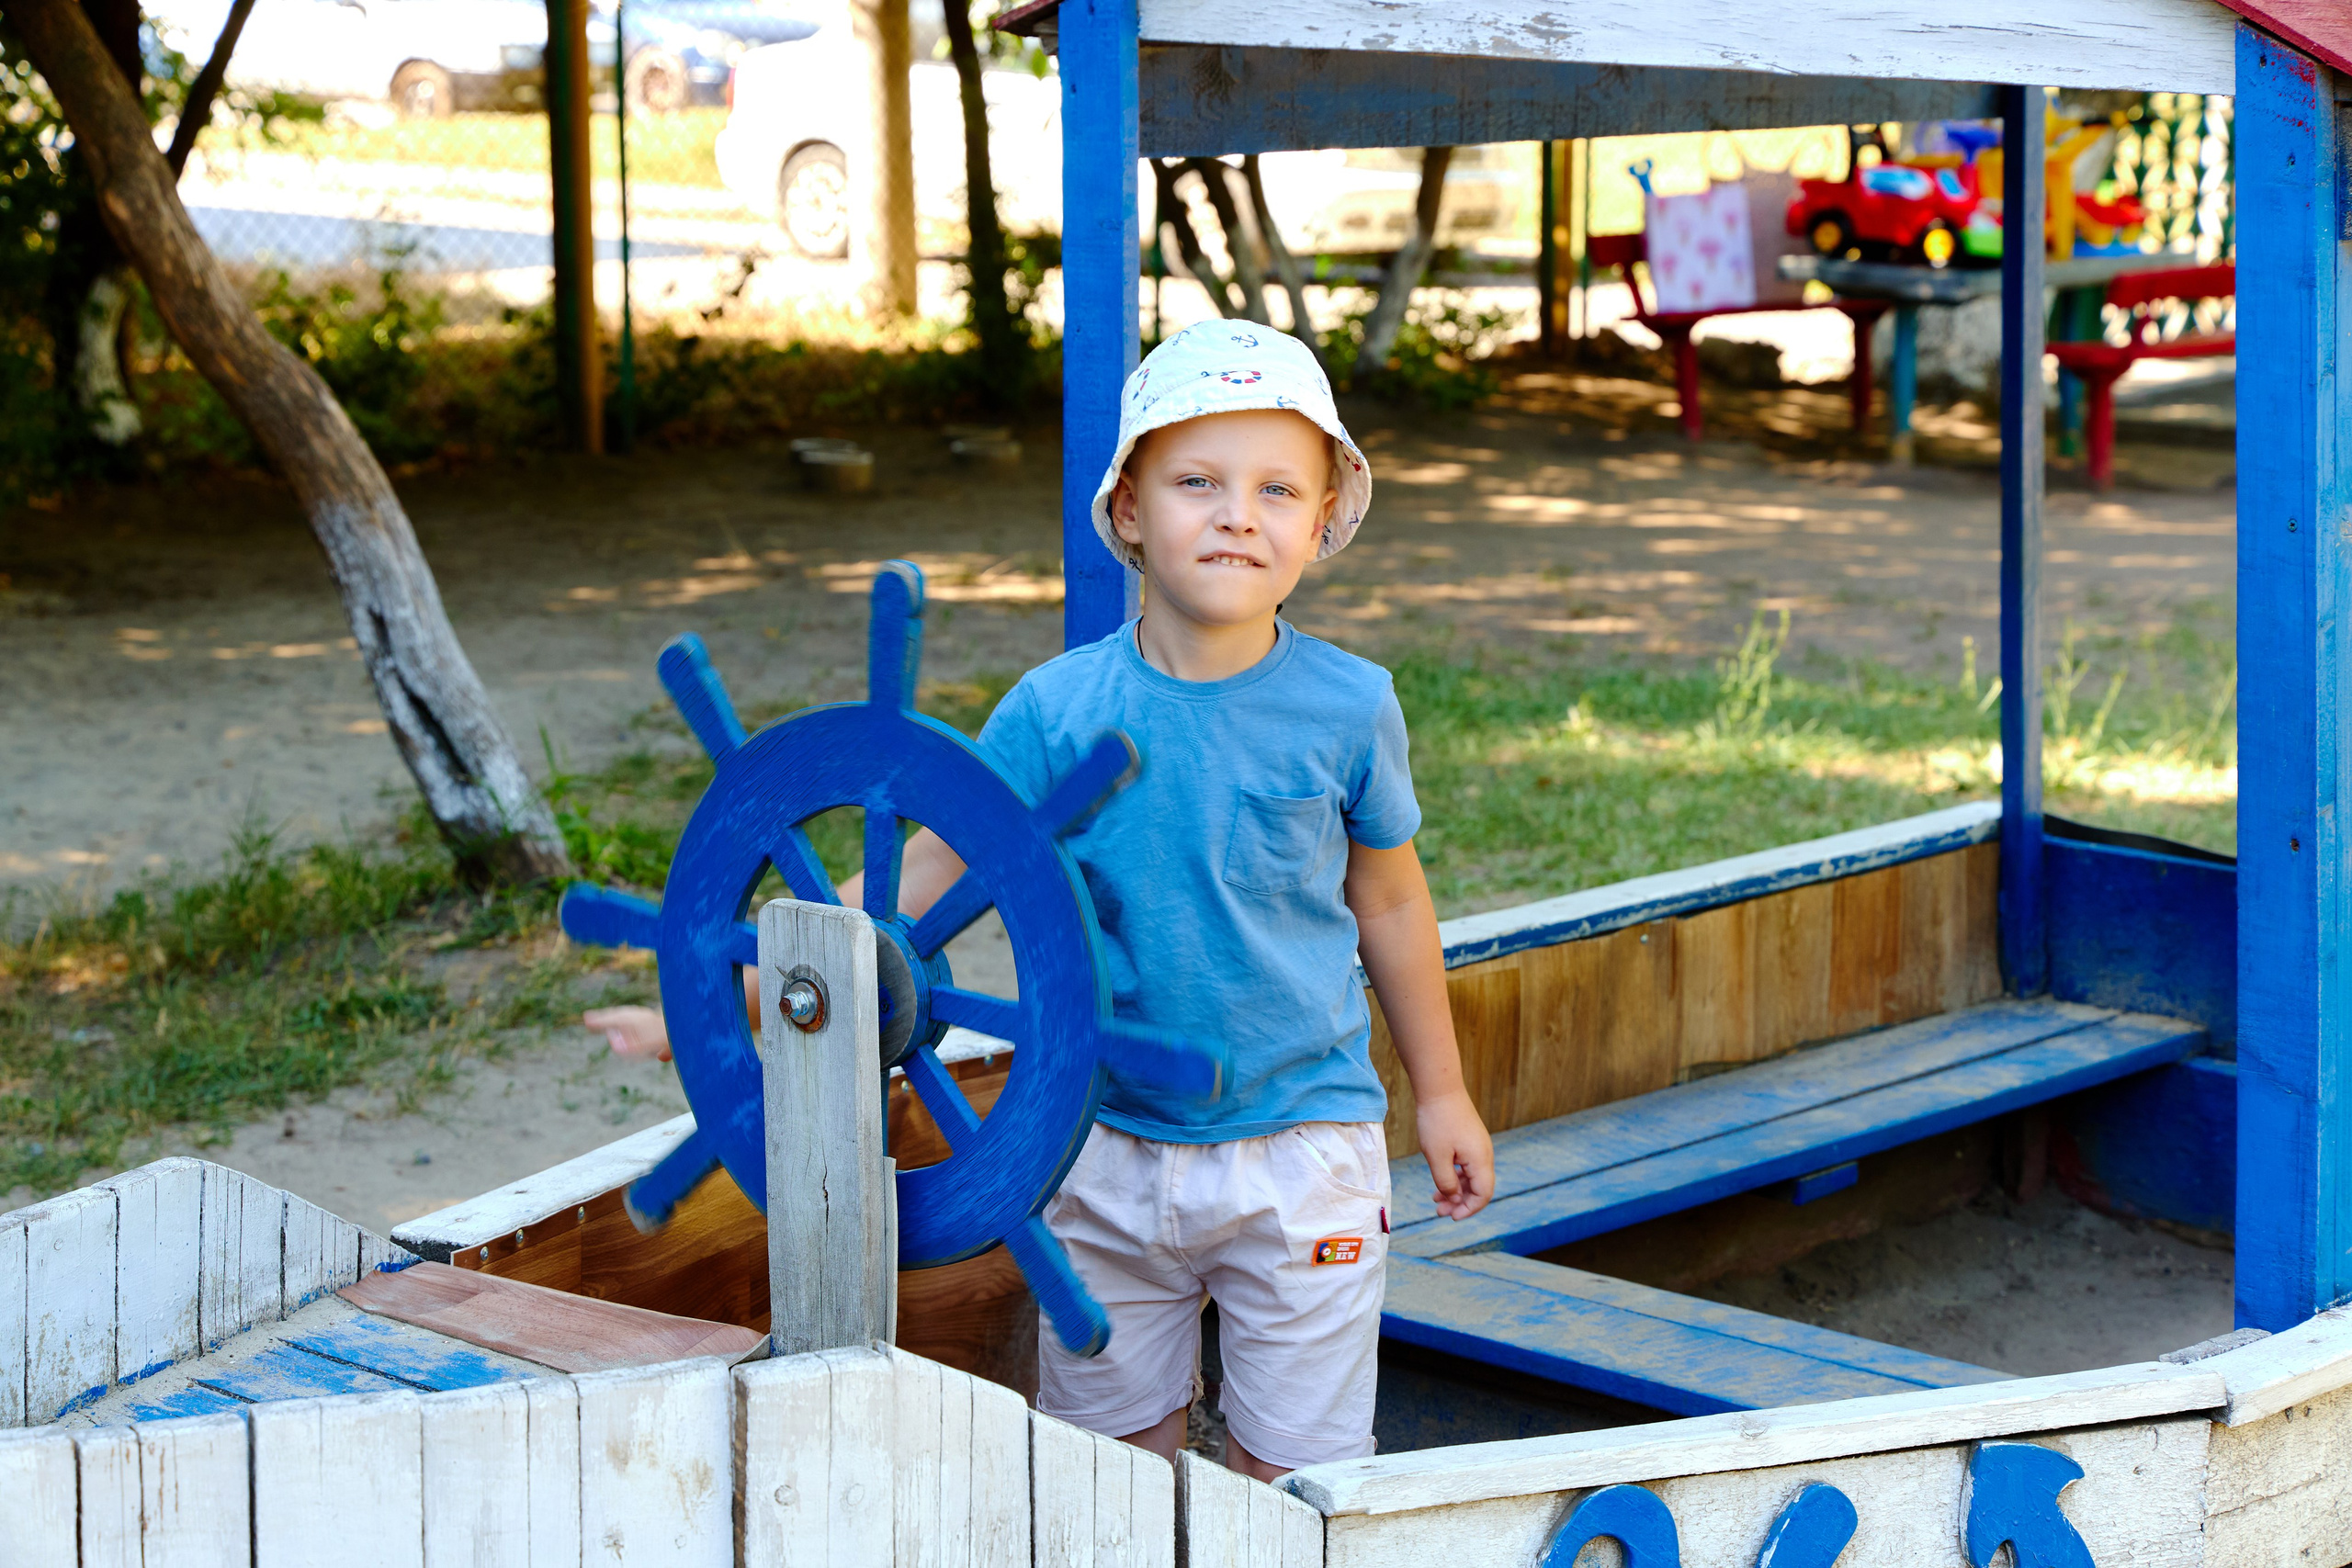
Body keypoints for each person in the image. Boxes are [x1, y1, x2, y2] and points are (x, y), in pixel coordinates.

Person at [585, 321, 1494, 1480]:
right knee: (1103, 1471)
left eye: (1276, 489)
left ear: (1321, 522)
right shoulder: (1054, 713)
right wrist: (730, 998)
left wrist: (1444, 1094)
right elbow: (916, 883)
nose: (1236, 515)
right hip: (1096, 1145)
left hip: (1302, 1147)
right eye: (1198, 482)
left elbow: (1394, 908)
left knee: (1300, 1482)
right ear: (1129, 511)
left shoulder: (1349, 706)